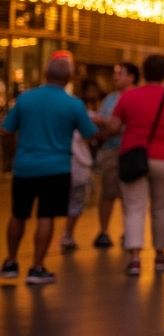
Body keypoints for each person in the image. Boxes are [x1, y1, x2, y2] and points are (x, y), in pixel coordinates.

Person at [1, 56, 99, 285]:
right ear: (68, 79)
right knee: (46, 216)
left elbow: (6, 129)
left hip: (24, 167)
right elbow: (90, 134)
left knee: (18, 214)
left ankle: (10, 262)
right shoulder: (73, 104)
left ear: (45, 74)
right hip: (56, 168)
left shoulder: (25, 99)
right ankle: (37, 267)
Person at [109, 54, 164, 276]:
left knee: (134, 207)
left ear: (143, 71)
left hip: (133, 155)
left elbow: (113, 126)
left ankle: (135, 258)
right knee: (161, 207)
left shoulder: (128, 97)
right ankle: (160, 254)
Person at [92, 62, 137, 248]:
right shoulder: (109, 99)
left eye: (120, 73)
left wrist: (106, 122)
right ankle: (103, 231)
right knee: (108, 192)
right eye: (115, 73)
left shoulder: (137, 97)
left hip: (131, 150)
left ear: (132, 77)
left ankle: (130, 231)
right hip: (111, 150)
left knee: (131, 194)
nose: (116, 77)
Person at [58, 127, 94, 254]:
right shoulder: (81, 117)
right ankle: (67, 236)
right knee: (76, 204)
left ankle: (67, 235)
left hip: (57, 165)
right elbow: (92, 133)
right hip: (78, 168)